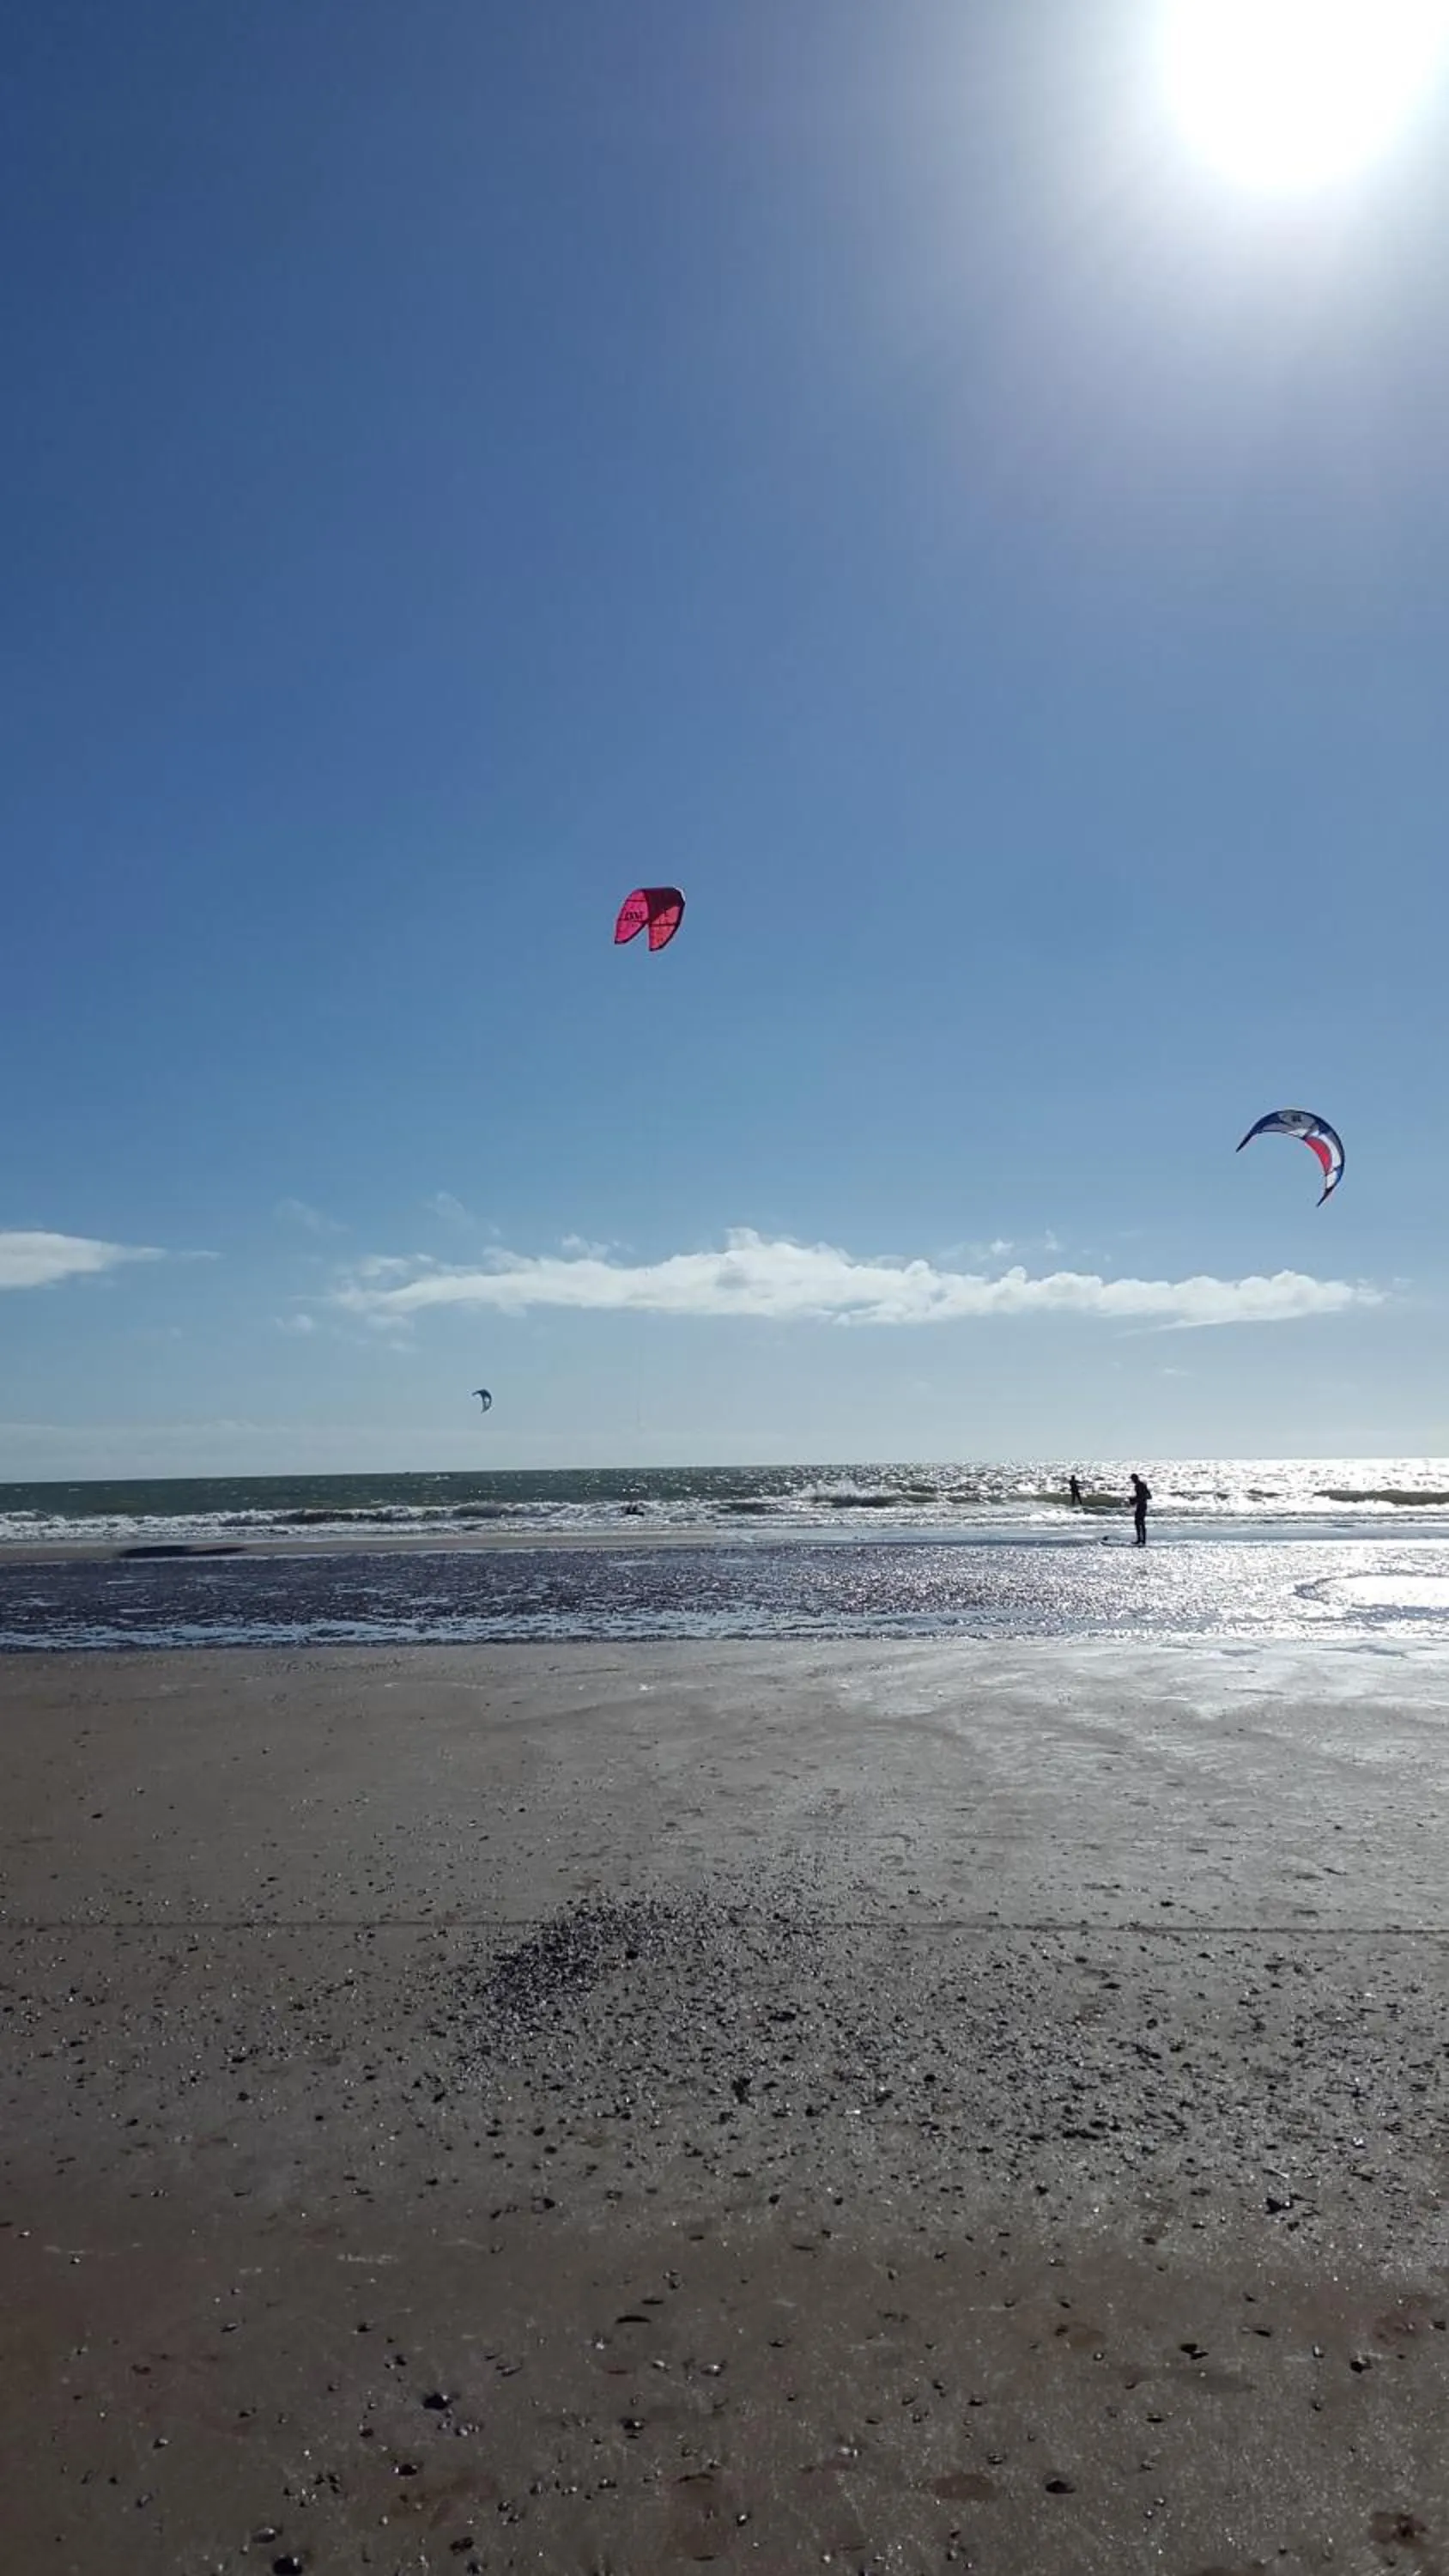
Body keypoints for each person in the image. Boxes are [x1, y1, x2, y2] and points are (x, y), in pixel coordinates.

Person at [1130, 1473, 1151, 1546]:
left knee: (1141, 1522)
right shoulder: (1137, 1486)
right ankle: (1140, 1539)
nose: (1132, 1481)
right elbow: (1141, 1496)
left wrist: (1136, 1499)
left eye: (1133, 1479)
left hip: (1142, 1506)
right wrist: (1134, 1500)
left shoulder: (1140, 1485)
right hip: (1140, 1505)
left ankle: (1143, 1540)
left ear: (1136, 1478)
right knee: (1138, 1522)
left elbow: (1149, 1496)